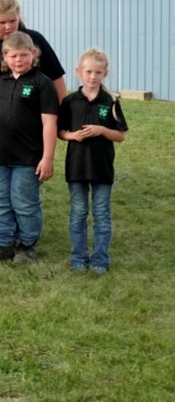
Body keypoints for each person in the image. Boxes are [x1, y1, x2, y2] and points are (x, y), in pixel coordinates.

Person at [0, 0, 66, 246]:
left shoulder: (34, 39)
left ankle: (25, 239)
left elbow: (56, 77)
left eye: (13, 21)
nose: (9, 27)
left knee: (24, 183)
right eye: (2, 22)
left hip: (31, 123)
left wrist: (62, 113)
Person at [0, 31, 59, 265]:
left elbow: (49, 123)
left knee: (24, 202)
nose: (18, 60)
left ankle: (26, 246)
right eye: (13, 56)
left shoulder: (42, 84)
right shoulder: (0, 82)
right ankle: (3, 244)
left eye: (23, 55)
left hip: (28, 156)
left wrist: (48, 158)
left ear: (33, 54)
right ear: (5, 56)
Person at [58, 49, 128, 274]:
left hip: (102, 167)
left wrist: (101, 130)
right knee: (78, 213)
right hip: (77, 166)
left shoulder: (111, 101)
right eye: (88, 71)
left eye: (98, 72)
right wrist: (71, 136)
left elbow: (120, 135)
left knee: (101, 214)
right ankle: (78, 257)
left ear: (105, 73)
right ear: (79, 72)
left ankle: (100, 259)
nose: (93, 76)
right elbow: (60, 131)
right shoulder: (70, 101)